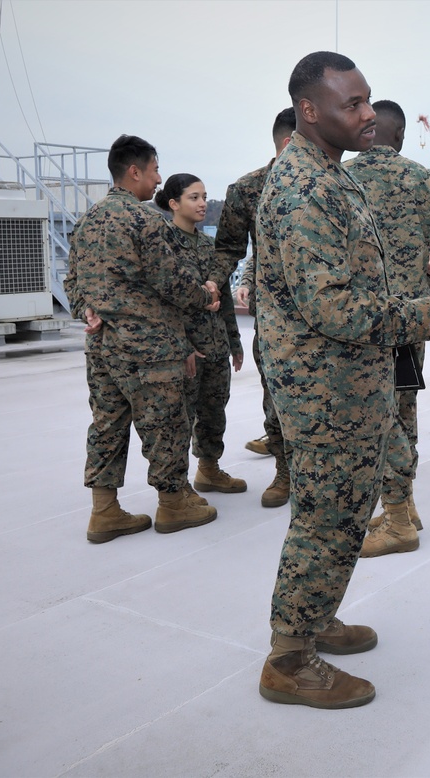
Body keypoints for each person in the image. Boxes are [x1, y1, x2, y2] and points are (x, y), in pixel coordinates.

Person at [254, 51, 430, 710]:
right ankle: (289, 657)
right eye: (350, 104)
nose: (365, 116)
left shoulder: (330, 174)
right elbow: (332, 307)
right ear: (309, 109)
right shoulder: (305, 187)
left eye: (366, 101)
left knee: (341, 510)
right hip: (323, 386)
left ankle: (315, 615)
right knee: (327, 516)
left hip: (349, 380)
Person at [63, 135, 219, 542]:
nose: (158, 179)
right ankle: (173, 505)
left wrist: (86, 310)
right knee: (165, 424)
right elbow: (172, 283)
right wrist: (206, 295)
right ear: (135, 172)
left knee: (106, 424)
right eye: (154, 171)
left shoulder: (87, 221)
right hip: (149, 347)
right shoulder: (146, 221)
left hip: (101, 347)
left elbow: (72, 282)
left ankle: (105, 511)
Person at [346, 99, 430, 557]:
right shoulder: (421, 178)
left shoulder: (343, 176)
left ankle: (397, 513)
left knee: (370, 416)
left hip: (357, 320)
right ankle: (405, 503)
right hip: (411, 317)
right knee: (403, 408)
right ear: (399, 135)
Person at [216, 108, 297, 509]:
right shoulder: (248, 189)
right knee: (276, 395)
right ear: (289, 143)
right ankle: (284, 470)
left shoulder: (337, 181)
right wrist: (215, 287)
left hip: (333, 315)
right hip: (277, 320)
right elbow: (228, 251)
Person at [155, 174, 246, 496]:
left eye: (204, 196)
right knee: (180, 418)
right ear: (173, 203)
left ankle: (209, 470)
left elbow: (223, 301)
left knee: (213, 410)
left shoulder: (210, 247)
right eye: (193, 197)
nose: (202, 203)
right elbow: (163, 302)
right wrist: (180, 346)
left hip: (216, 345)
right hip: (185, 348)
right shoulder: (162, 245)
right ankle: (176, 487)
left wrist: (234, 343)